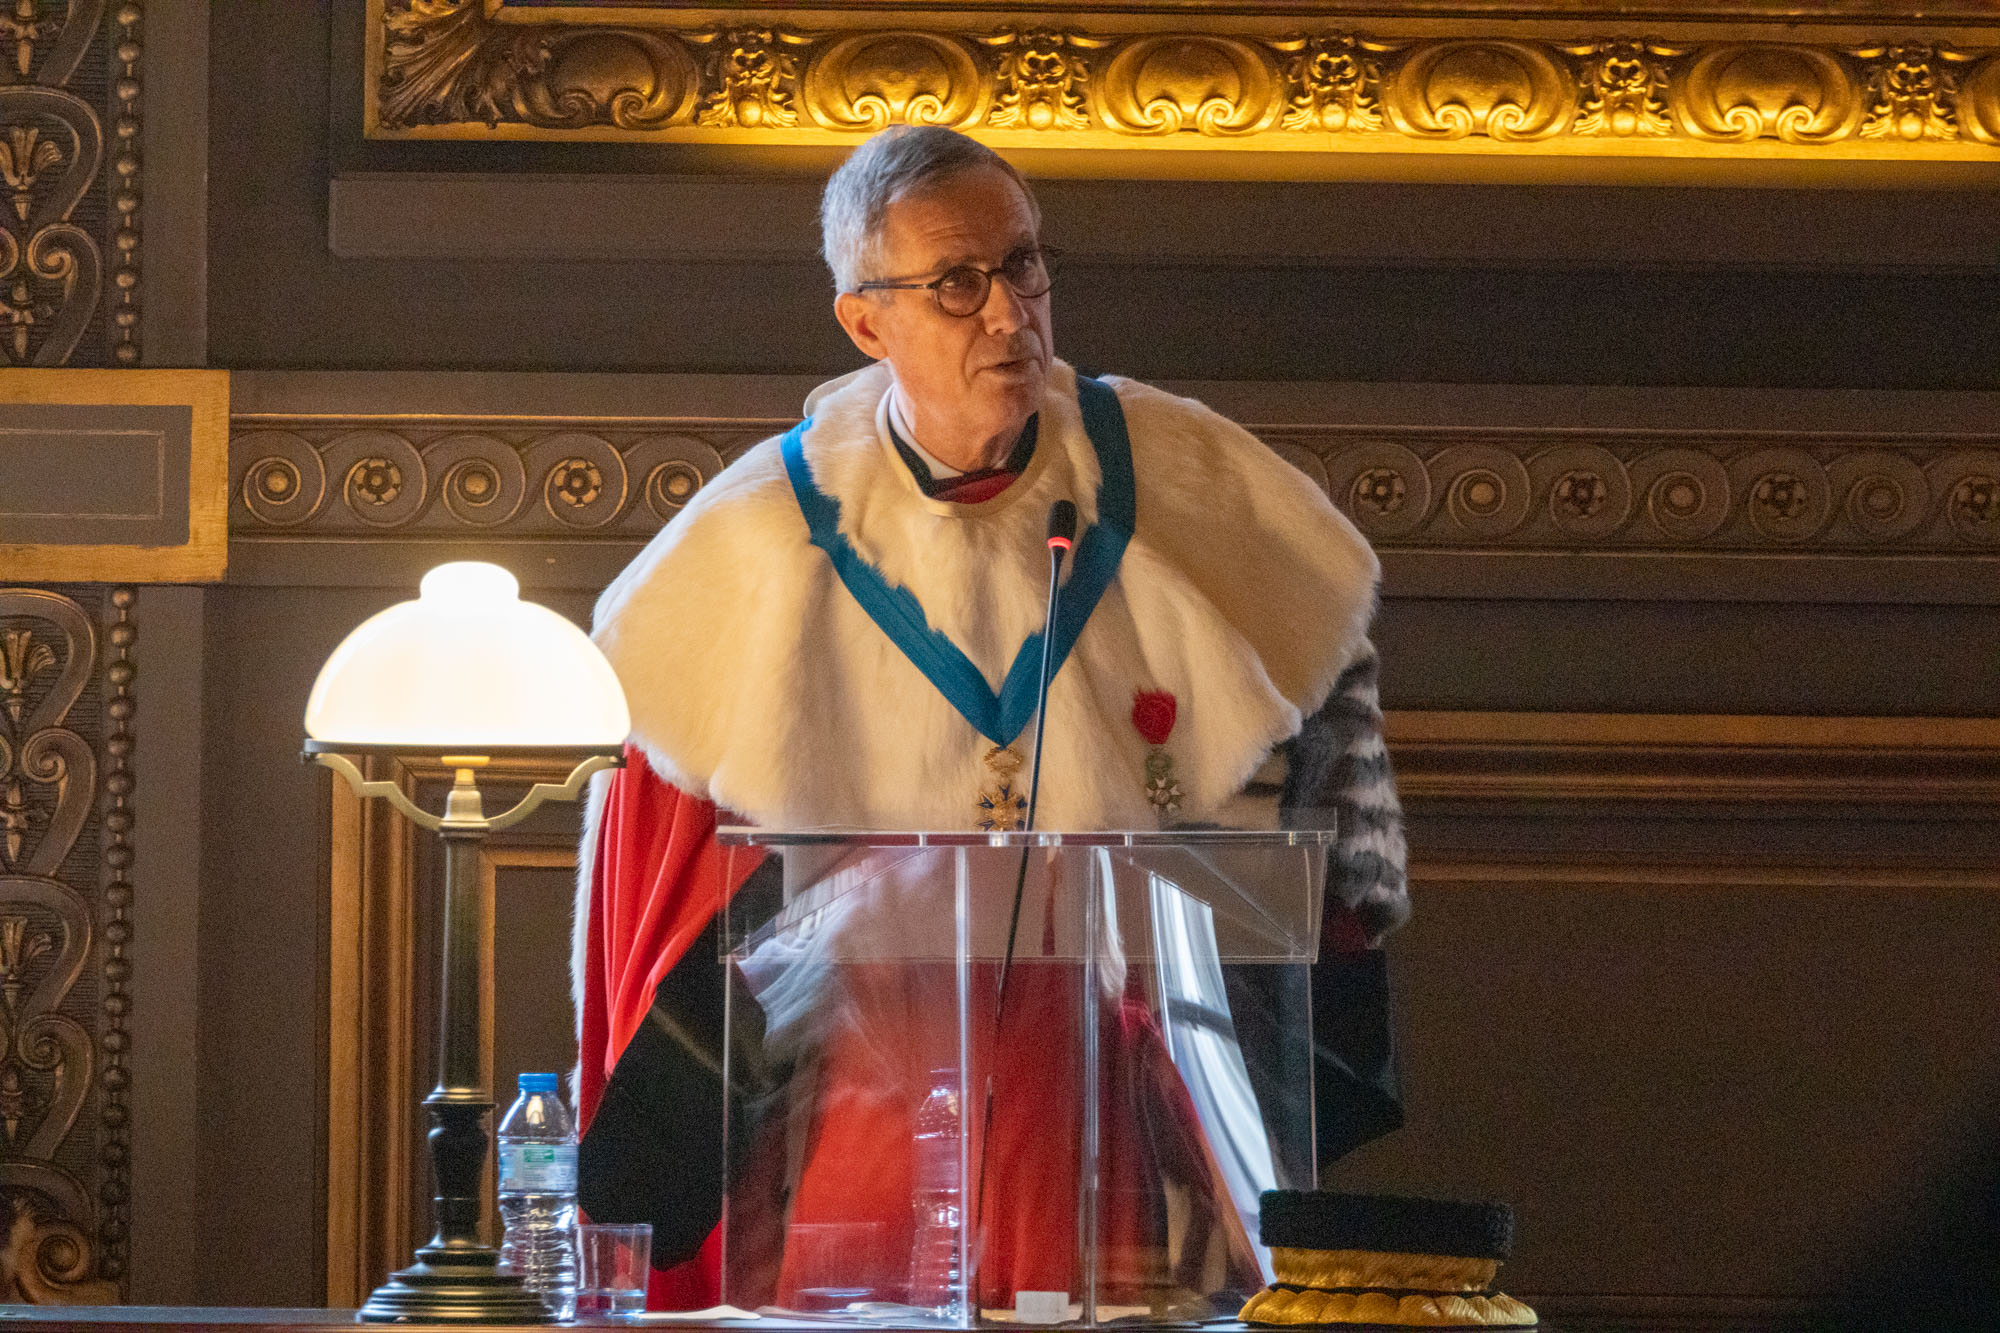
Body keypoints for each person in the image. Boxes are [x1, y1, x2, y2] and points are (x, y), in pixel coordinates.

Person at [573, 125, 1409, 1314]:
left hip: (1110, 1124)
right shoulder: (750, 545)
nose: (1009, 316)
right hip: (851, 1135)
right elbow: (677, 910)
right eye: (955, 285)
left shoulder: (1186, 485)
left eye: (1022, 266)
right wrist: (845, 915)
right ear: (866, 321)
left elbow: (1318, 855)